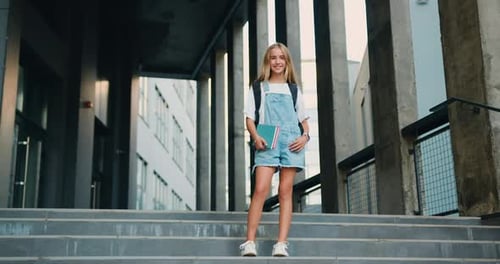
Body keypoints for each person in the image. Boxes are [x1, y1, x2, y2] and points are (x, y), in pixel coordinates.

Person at [240, 42, 310, 257]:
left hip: (291, 139)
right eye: (273, 57)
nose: (277, 61)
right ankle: (249, 242)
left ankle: (281, 243)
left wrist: (305, 137)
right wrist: (256, 136)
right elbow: (249, 119)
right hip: (267, 135)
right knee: (260, 189)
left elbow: (304, 121)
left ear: (286, 62)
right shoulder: (258, 87)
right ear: (267, 61)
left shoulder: (294, 90)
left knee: (285, 191)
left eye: (281, 57)